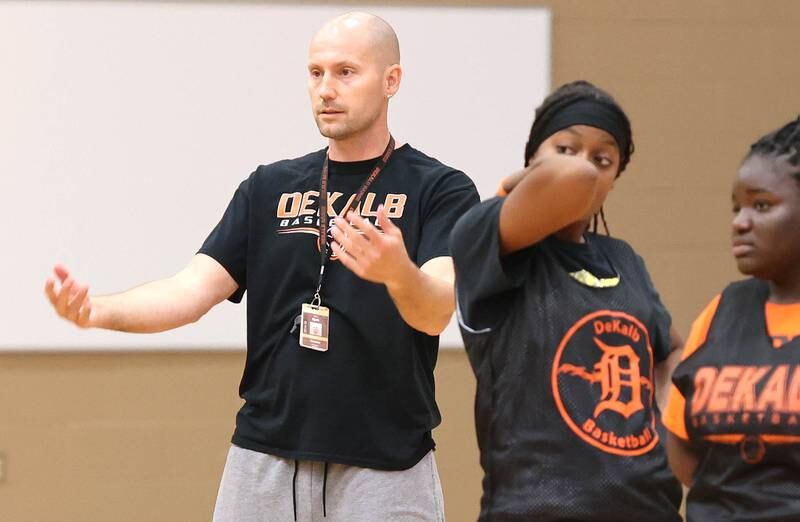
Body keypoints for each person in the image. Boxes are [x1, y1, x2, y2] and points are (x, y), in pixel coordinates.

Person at [45, 12, 478, 521]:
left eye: (345, 72)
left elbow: (435, 310)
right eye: (315, 73)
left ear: (391, 81)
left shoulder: (441, 188)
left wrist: (397, 271)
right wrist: (95, 312)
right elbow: (190, 291)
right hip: (263, 457)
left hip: (384, 465)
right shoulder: (268, 187)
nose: (326, 89)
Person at [449, 80, 683, 521]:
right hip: (534, 510)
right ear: (533, 155)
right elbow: (574, 181)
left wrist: (666, 429)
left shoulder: (623, 258)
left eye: (604, 159)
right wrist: (532, 180)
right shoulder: (484, 234)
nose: (587, 169)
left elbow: (671, 353)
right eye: (565, 147)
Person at [664, 117, 800, 521]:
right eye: (736, 207)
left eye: (761, 205)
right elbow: (682, 451)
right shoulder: (723, 311)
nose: (740, 222)